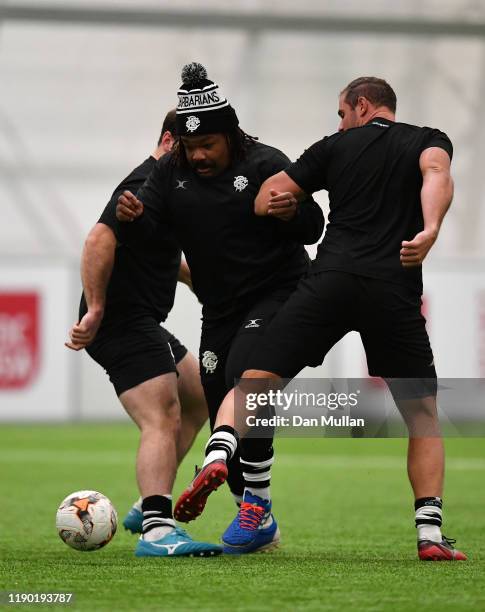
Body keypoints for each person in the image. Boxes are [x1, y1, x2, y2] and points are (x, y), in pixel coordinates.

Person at [176, 77, 467, 561]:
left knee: (254, 380)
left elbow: (268, 193)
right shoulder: (426, 139)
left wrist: (277, 204)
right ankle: (430, 535)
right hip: (392, 285)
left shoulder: (334, 147)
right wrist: (431, 228)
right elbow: (437, 173)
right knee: (422, 417)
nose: (339, 121)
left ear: (361, 105)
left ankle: (217, 454)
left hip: (329, 281)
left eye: (341, 112)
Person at [116, 63, 325, 554]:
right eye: (190, 148)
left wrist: (294, 212)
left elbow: (314, 226)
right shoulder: (171, 172)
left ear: (229, 135)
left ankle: (251, 498)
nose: (199, 156)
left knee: (245, 377)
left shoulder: (264, 162)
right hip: (220, 306)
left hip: (277, 291)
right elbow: (155, 238)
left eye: (207, 145)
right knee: (219, 401)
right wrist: (136, 220)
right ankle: (254, 518)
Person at [66, 109, 222, 558]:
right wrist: (95, 308)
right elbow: (99, 239)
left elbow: (152, 249)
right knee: (162, 413)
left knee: (197, 394)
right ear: (172, 141)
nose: (200, 158)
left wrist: (194, 280)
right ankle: (157, 528)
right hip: (118, 320)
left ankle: (143, 506)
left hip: (140, 319)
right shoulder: (145, 182)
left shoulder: (166, 190)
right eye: (192, 148)